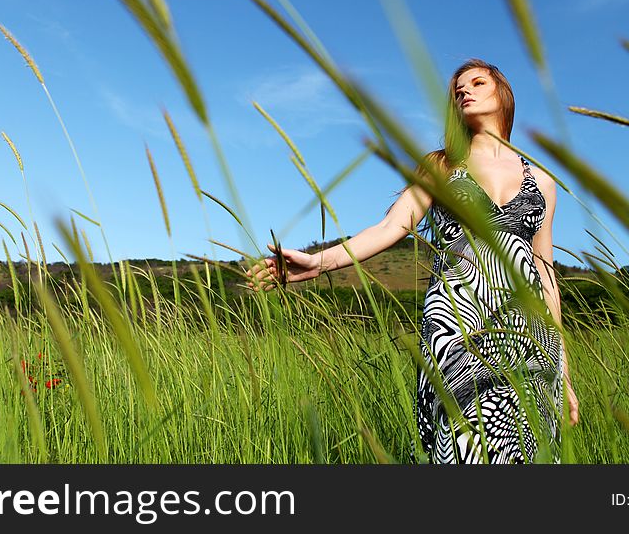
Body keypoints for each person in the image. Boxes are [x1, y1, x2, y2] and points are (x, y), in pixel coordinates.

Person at [245, 58, 579, 463]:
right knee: (464, 441)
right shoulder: (441, 164)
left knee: (528, 444)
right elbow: (389, 228)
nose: (465, 91)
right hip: (459, 321)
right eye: (459, 90)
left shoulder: (541, 180)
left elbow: (544, 273)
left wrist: (562, 367)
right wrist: (318, 263)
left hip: (527, 334)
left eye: (477, 82)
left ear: (503, 94)